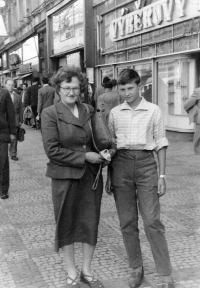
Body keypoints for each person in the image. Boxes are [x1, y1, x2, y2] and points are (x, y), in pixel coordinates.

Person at [108, 69, 174, 288]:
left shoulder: (153, 110)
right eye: (122, 89)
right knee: (127, 221)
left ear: (140, 87)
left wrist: (162, 175)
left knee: (152, 221)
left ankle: (165, 273)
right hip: (120, 167)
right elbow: (112, 146)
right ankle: (136, 268)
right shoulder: (115, 113)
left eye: (130, 88)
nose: (126, 93)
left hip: (147, 165)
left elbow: (161, 142)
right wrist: (109, 175)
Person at [41, 66, 106, 288]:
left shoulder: (88, 109)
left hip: (90, 178)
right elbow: (52, 150)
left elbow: (98, 140)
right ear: (58, 89)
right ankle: (71, 272)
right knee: (66, 223)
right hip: (64, 178)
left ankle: (86, 271)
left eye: (76, 88)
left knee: (90, 222)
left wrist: (105, 153)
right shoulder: (50, 114)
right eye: (66, 88)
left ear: (82, 89)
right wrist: (85, 156)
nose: (71, 92)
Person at [0, 87, 16, 199]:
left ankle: (3, 189)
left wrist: (12, 132)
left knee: (3, 161)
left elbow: (10, 113)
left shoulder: (4, 92)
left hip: (2, 133)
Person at [5, 79, 23, 161]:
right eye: (9, 85)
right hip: (3, 120)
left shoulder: (18, 96)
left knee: (14, 138)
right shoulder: (2, 95)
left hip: (14, 120)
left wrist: (20, 120)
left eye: (12, 85)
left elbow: (20, 110)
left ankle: (13, 154)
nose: (11, 86)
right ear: (5, 85)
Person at [184, 88, 200, 154]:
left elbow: (186, 105)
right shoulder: (198, 91)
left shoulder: (198, 91)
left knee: (198, 137)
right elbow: (187, 105)